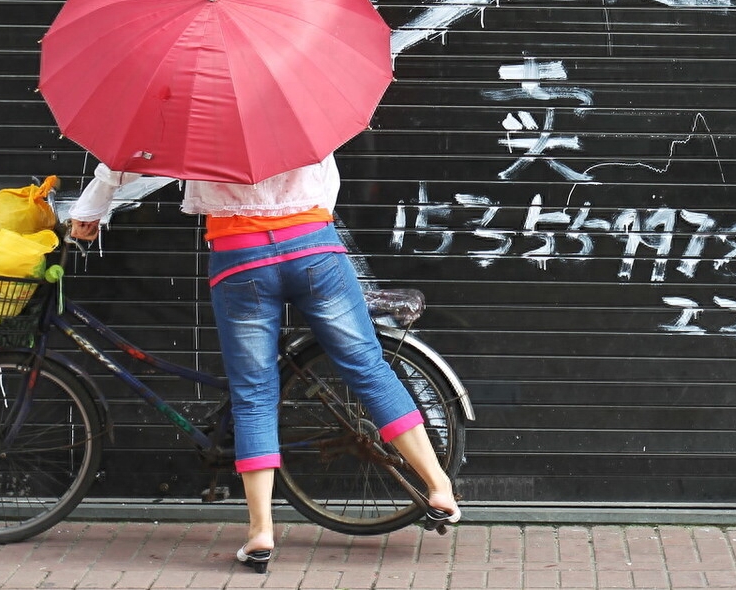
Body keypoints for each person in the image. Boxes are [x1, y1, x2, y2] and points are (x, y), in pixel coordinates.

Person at [68, 154, 459, 574]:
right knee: (368, 368)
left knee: (254, 394)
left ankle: (260, 534)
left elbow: (139, 161)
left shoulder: (199, 123)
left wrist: (91, 209)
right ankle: (438, 487)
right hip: (312, 244)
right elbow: (326, 175)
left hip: (240, 255)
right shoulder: (300, 112)